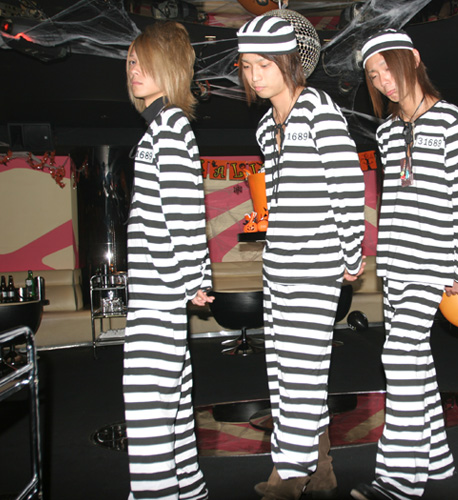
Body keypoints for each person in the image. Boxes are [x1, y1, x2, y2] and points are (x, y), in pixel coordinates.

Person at [236, 15, 366, 500]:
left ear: (290, 62)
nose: (255, 76)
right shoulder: (266, 126)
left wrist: (350, 253)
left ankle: (289, 474)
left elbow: (347, 187)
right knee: (285, 371)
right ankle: (323, 468)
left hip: (316, 263)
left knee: (302, 371)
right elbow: (279, 198)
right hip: (280, 264)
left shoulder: (318, 111)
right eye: (247, 66)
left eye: (265, 64)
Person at [353, 29, 458, 500]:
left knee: (399, 355)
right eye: (373, 75)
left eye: (388, 68)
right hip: (396, 261)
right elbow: (392, 201)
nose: (383, 80)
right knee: (416, 361)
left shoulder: (451, 120)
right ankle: (437, 459)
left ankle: (399, 478)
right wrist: (383, 259)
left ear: (414, 59)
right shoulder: (386, 131)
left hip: (434, 260)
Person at [123, 21, 213, 500]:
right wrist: (193, 278)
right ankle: (188, 490)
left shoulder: (170, 127)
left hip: (158, 295)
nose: (134, 71)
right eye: (131, 63)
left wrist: (191, 279)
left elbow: (183, 212)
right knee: (171, 404)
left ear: (170, 67)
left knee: (148, 411)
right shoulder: (164, 127)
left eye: (143, 62)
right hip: (161, 291)